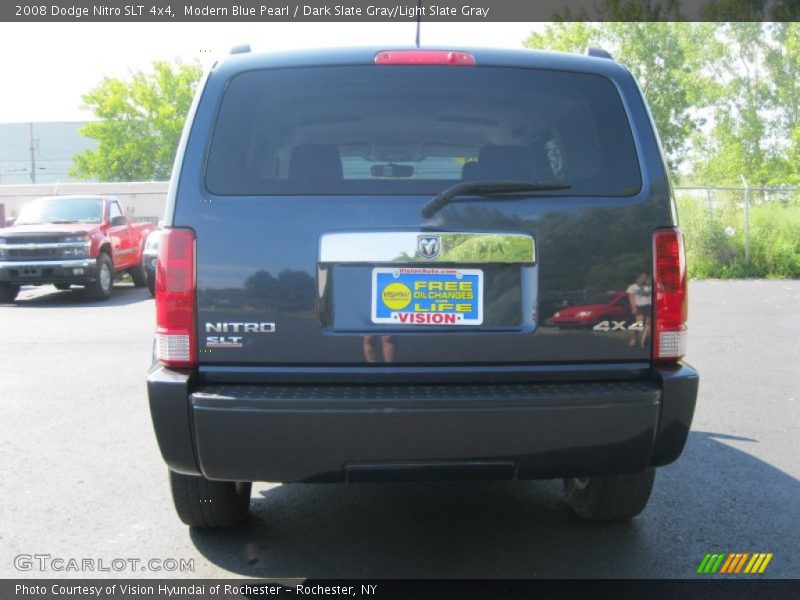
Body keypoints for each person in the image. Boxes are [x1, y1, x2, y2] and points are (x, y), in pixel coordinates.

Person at [627, 274, 652, 347]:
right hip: (639, 307)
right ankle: (634, 339)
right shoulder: (633, 287)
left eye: (646, 278)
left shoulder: (649, 287)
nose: (644, 279)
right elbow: (631, 298)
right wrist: (634, 308)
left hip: (648, 306)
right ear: (639, 278)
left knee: (647, 324)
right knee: (639, 324)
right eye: (643, 278)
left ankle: (643, 342)